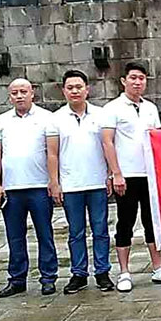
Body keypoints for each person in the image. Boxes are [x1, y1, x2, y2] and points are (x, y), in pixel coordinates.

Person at [102, 61, 161, 292]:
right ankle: (124, 272)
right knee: (125, 222)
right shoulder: (113, 108)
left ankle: (158, 268)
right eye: (133, 78)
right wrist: (116, 173)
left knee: (151, 222)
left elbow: (157, 139)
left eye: (141, 78)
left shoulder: (150, 108)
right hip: (126, 175)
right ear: (123, 81)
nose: (137, 82)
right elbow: (107, 142)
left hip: (150, 174)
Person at [47, 70, 115, 295]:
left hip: (97, 182)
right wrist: (54, 182)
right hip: (71, 184)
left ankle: (103, 271)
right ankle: (79, 273)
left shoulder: (101, 115)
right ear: (63, 91)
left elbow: (108, 146)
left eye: (79, 87)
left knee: (100, 229)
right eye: (70, 87)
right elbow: (52, 153)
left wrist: (111, 174)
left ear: (87, 89)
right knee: (76, 232)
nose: (75, 91)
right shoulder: (55, 119)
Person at [0, 79, 59, 297]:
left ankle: (48, 277)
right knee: (15, 236)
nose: (19, 96)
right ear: (9, 96)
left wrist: (54, 181)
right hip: (11, 189)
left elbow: (52, 153)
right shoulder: (2, 121)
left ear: (32, 93)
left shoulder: (47, 118)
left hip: (39, 186)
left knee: (45, 234)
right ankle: (17, 279)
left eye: (23, 91)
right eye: (14, 93)